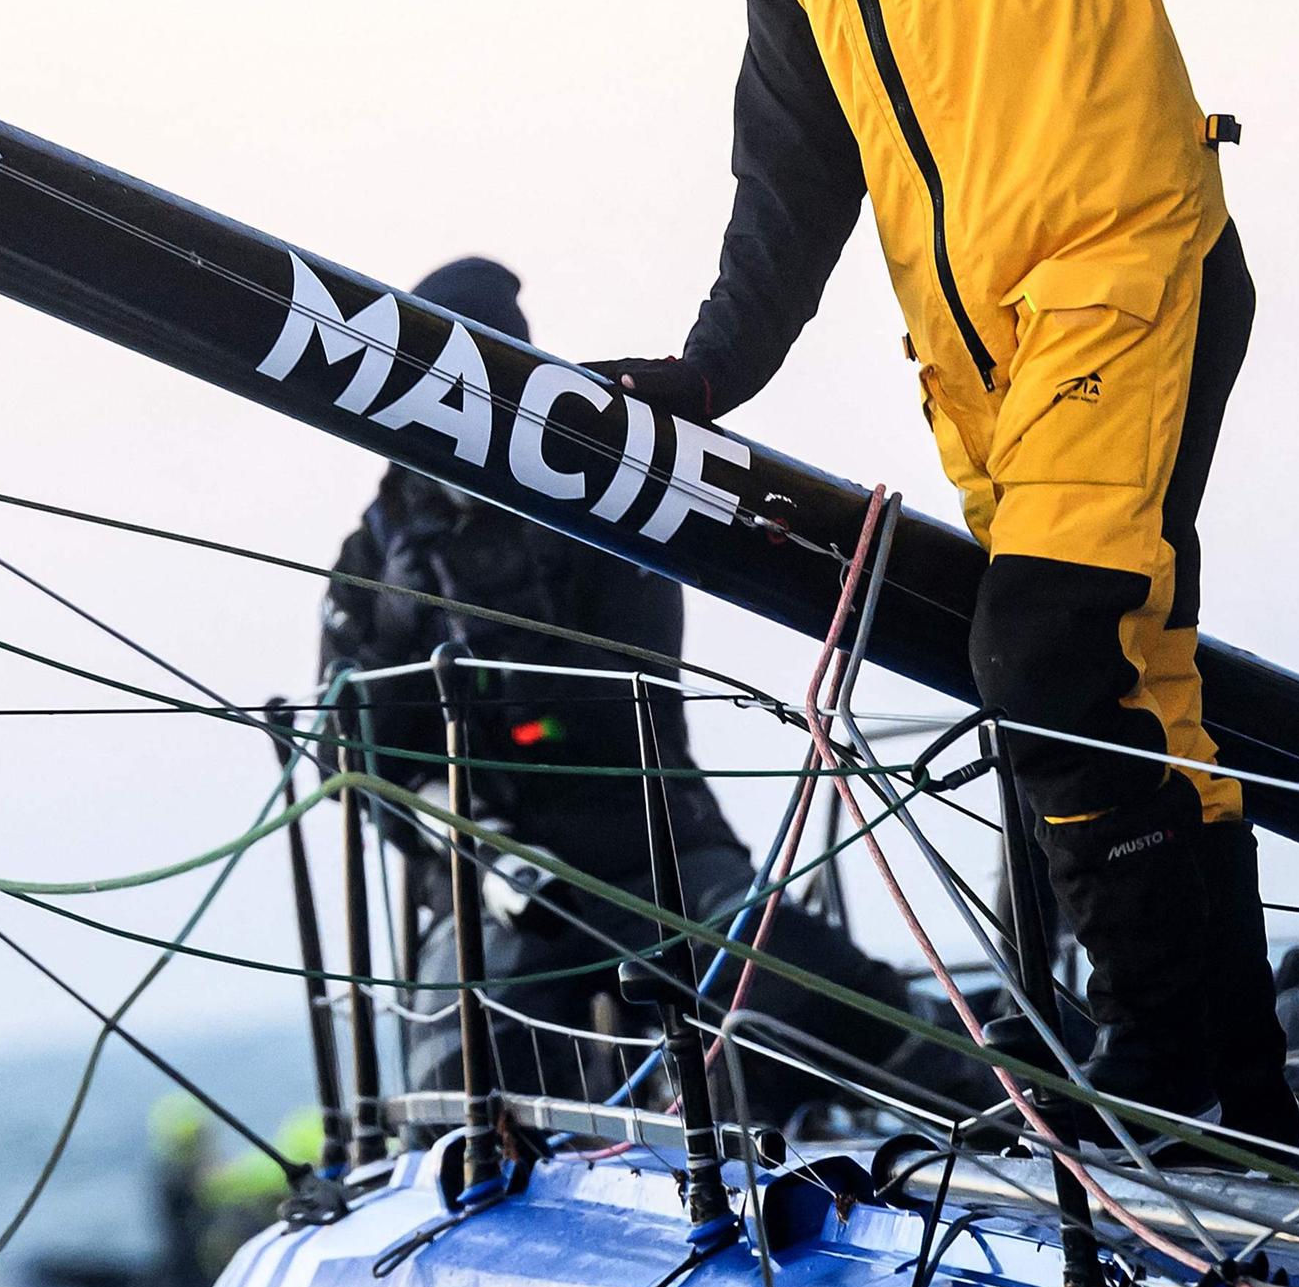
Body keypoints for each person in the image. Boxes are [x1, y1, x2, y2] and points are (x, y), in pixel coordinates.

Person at [597, 0, 1293, 1145]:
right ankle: (1251, 1112)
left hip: (1130, 278)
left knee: (1039, 660)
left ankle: (1150, 1091)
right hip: (984, 365)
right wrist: (708, 369)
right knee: (1139, 694)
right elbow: (791, 177)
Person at [326, 256, 955, 1122]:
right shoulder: (372, 558)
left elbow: (622, 693)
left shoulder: (600, 487)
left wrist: (509, 722)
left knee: (809, 998)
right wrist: (475, 839)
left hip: (653, 843)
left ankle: (986, 1082)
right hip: (487, 881)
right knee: (457, 1099)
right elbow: (353, 756)